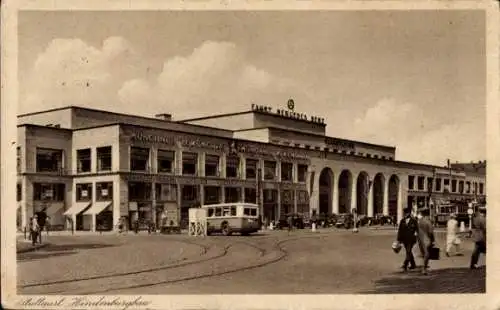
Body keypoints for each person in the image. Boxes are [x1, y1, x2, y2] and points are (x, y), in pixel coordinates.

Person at [417, 207, 435, 275]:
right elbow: (430, 232)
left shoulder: (420, 221)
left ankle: (424, 267)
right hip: (427, 239)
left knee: (424, 254)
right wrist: (433, 240)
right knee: (427, 254)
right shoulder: (428, 221)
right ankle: (424, 268)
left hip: (420, 239)